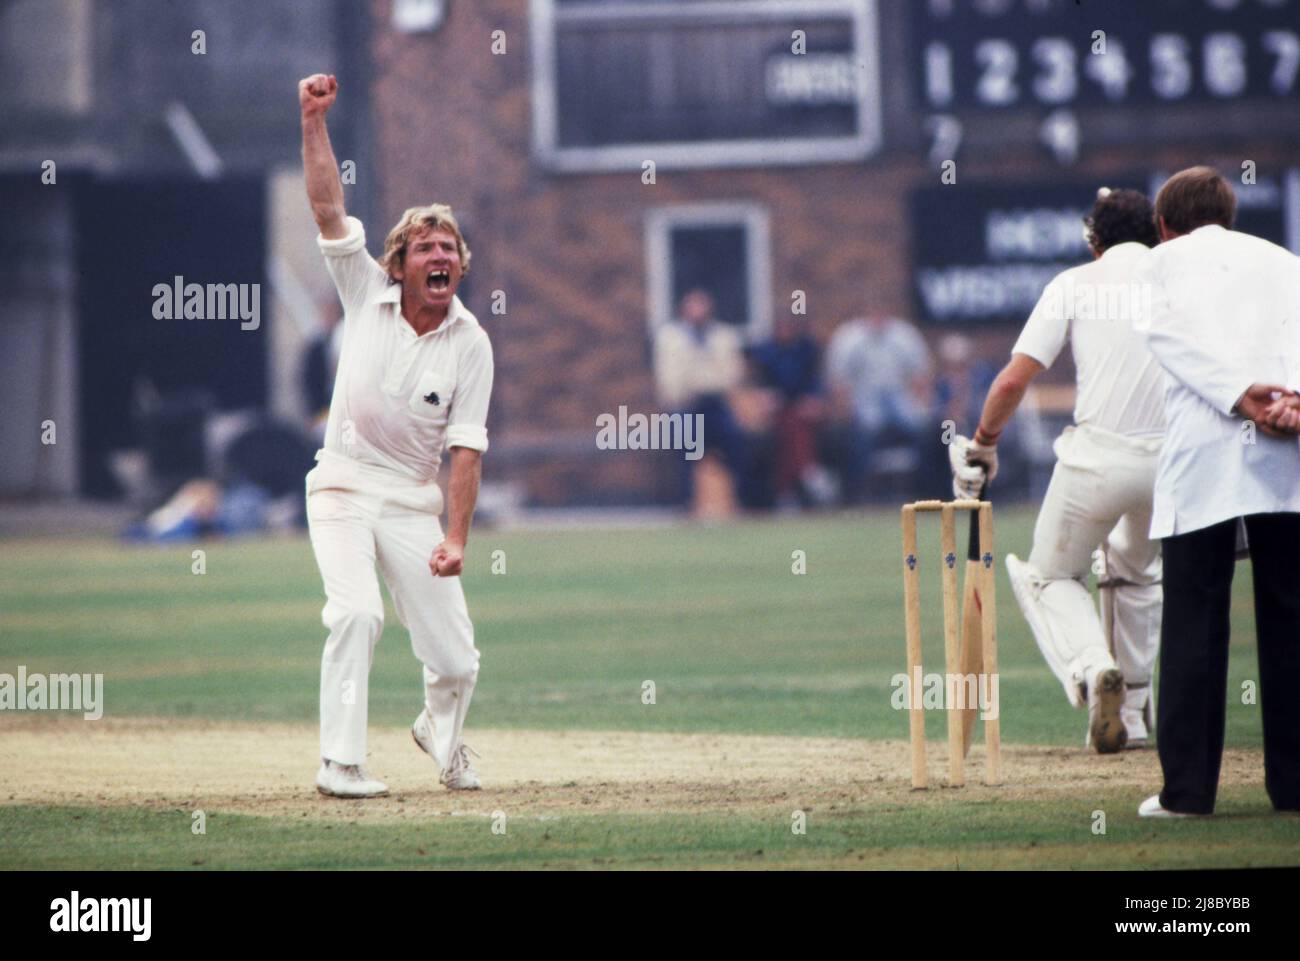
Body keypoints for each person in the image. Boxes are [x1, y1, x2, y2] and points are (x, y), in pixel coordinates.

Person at [299, 73, 494, 798]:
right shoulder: (364, 294)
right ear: (400, 263)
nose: (440, 255)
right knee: (356, 612)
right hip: (344, 486)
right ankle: (340, 763)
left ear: (460, 265)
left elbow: (466, 450)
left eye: (449, 247)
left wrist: (458, 538)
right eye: (425, 247)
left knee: (457, 660)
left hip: (413, 503)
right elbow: (326, 206)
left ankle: (440, 735)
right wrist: (313, 120)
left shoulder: (472, 342)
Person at [950, 188, 1165, 753]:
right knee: (1139, 576)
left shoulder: (1074, 282)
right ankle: (1136, 716)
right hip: (1173, 464)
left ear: (1094, 240)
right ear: (1158, 231)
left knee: (1049, 575)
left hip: (1098, 460)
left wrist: (983, 445)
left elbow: (1012, 381)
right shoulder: (1177, 278)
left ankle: (1096, 672)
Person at [1131, 166, 1300, 818]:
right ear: (1227, 216)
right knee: (1289, 616)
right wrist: (1287, 401)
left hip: (1202, 455)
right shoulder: (1284, 260)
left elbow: (1167, 337)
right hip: (1285, 452)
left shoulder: (1160, 263)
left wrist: (1238, 394)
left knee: (1194, 618)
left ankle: (1188, 793)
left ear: (1165, 225)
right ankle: (1293, 787)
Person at [653, 289, 753, 508]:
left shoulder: (723, 335)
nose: (698, 311)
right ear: (684, 310)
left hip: (715, 404)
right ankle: (686, 503)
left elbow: (731, 374)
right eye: (693, 306)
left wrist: (707, 381)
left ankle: (742, 501)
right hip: (686, 405)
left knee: (736, 445)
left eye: (702, 306)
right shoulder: (670, 337)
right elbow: (670, 377)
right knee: (686, 452)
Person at [824, 314, 933, 504]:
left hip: (900, 398)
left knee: (928, 429)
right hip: (864, 401)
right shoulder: (849, 338)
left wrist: (922, 405)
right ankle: (862, 493)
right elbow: (838, 382)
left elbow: (921, 377)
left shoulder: (905, 336)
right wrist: (845, 409)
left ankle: (924, 489)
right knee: (859, 434)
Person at [748, 314, 827, 508]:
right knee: (788, 425)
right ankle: (809, 472)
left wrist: (813, 399)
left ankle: (785, 492)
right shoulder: (765, 352)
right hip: (777, 410)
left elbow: (814, 381)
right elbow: (759, 383)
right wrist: (764, 397)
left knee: (793, 424)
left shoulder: (805, 351)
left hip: (800, 409)